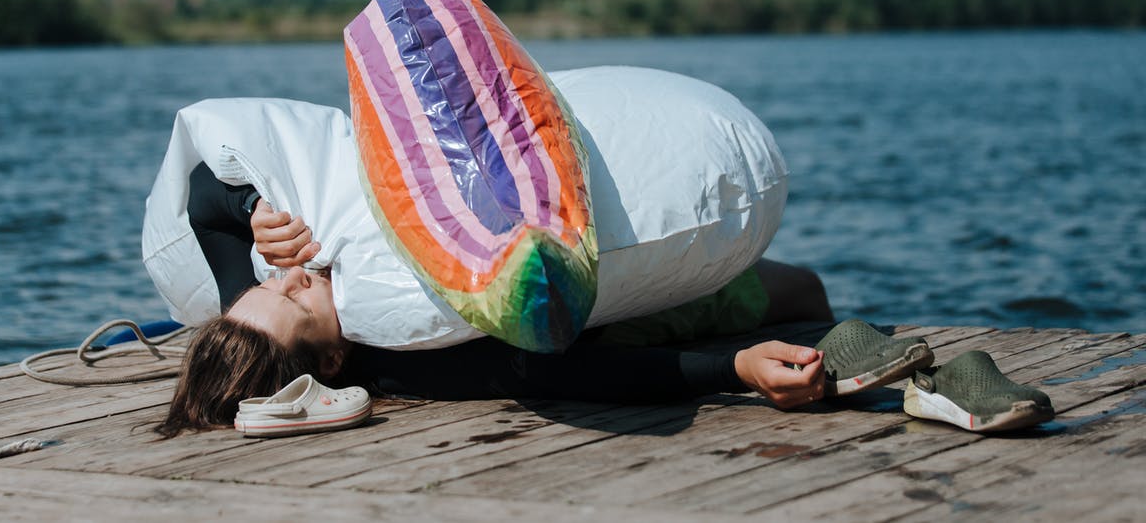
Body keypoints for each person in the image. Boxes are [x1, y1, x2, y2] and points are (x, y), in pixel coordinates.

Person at [157, 163, 834, 438]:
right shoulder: (415, 354)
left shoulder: (253, 310)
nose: (294, 273)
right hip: (612, 308)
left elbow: (202, 193)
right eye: (299, 295)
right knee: (801, 290)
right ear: (331, 360)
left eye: (272, 280)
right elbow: (560, 373)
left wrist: (254, 211)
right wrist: (734, 368)